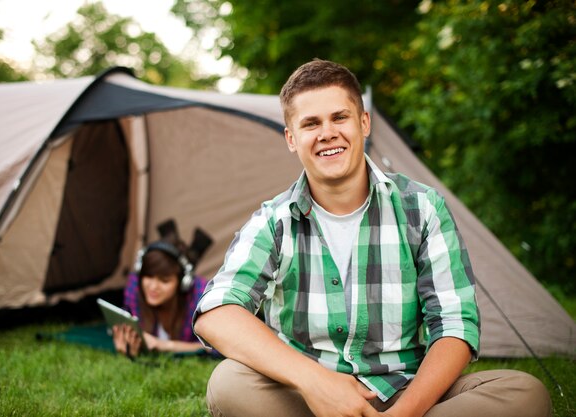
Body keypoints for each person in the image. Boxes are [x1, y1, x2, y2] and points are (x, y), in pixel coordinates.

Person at [193, 59, 552, 417]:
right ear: (291, 138)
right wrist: (315, 382)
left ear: (364, 123)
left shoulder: (422, 208)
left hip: (405, 391)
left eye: (339, 117)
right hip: (304, 398)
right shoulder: (274, 221)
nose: (327, 133)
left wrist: (404, 414)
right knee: (228, 382)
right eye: (310, 124)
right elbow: (216, 311)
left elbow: (455, 325)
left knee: (524, 393)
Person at [112, 218, 213, 357]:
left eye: (164, 281)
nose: (153, 287)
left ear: (183, 282)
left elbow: (217, 348)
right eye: (148, 276)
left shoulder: (201, 297)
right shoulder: (135, 286)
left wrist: (165, 345)